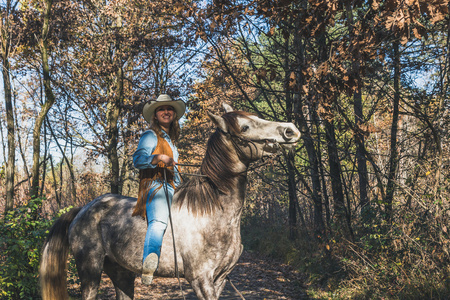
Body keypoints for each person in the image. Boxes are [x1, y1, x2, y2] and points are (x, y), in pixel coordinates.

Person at [132, 94, 185, 285]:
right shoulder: (150, 135)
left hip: (173, 187)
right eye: (162, 109)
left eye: (169, 109)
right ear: (155, 115)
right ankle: (149, 265)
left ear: (174, 114)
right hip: (157, 186)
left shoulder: (171, 141)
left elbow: (176, 173)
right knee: (159, 221)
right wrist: (159, 158)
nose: (166, 112)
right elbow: (138, 160)